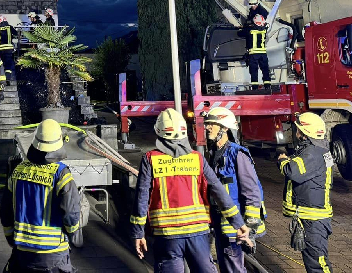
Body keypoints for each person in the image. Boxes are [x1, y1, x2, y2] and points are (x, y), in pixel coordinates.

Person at [130, 108, 250, 273]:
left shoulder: (150, 159)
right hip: (198, 233)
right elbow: (219, 191)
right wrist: (238, 223)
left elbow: (142, 198)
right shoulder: (197, 159)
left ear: (158, 132)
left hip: (167, 234)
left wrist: (138, 233)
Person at [0, 120, 83, 273]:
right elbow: (71, 212)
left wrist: (10, 236)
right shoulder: (61, 174)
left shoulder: (18, 171)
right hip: (53, 253)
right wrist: (73, 234)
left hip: (22, 251)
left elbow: (5, 209)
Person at [204, 107, 266, 273]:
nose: (207, 127)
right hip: (221, 223)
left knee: (234, 269)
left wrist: (250, 225)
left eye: (212, 124)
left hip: (236, 226)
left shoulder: (237, 153)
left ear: (224, 128)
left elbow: (252, 192)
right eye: (207, 123)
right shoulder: (215, 153)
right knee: (226, 266)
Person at [278, 112, 334, 273]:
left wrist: (282, 160)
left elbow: (293, 171)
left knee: (318, 264)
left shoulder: (313, 153)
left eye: (298, 130)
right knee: (313, 262)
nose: (296, 134)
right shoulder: (318, 150)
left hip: (313, 220)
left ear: (304, 133)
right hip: (312, 217)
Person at [241, 0, 270, 87]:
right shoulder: (264, 30)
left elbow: (241, 33)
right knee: (265, 69)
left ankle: (255, 86)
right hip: (263, 53)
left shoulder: (250, 30)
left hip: (253, 54)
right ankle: (267, 85)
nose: (253, 7)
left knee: (253, 70)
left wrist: (245, 27)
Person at [0, 16, 18, 85]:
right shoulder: (9, 27)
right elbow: (16, 34)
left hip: (0, 49)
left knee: (1, 64)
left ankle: (0, 80)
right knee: (8, 64)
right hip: (8, 49)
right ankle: (7, 79)